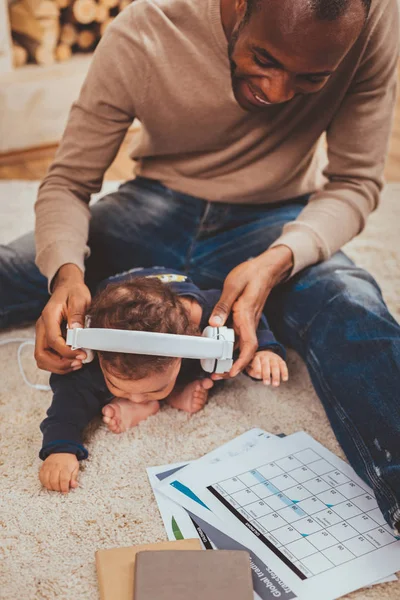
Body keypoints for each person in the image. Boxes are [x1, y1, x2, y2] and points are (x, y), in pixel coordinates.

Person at [0, 0, 398, 529]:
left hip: (274, 224)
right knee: (17, 268)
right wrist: (66, 272)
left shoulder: (373, 22)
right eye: (264, 58)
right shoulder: (146, 26)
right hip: (150, 206)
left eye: (309, 79)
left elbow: (355, 183)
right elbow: (68, 183)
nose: (277, 94)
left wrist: (279, 260)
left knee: (353, 307)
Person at [38, 268, 288, 493]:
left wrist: (264, 350)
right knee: (83, 387)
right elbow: (65, 405)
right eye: (118, 386)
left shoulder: (208, 318)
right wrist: (61, 448)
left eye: (154, 389)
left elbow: (248, 313)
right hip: (127, 341)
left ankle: (173, 389)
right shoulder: (92, 353)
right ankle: (164, 393)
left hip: (185, 347)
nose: (134, 395)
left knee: (220, 365)